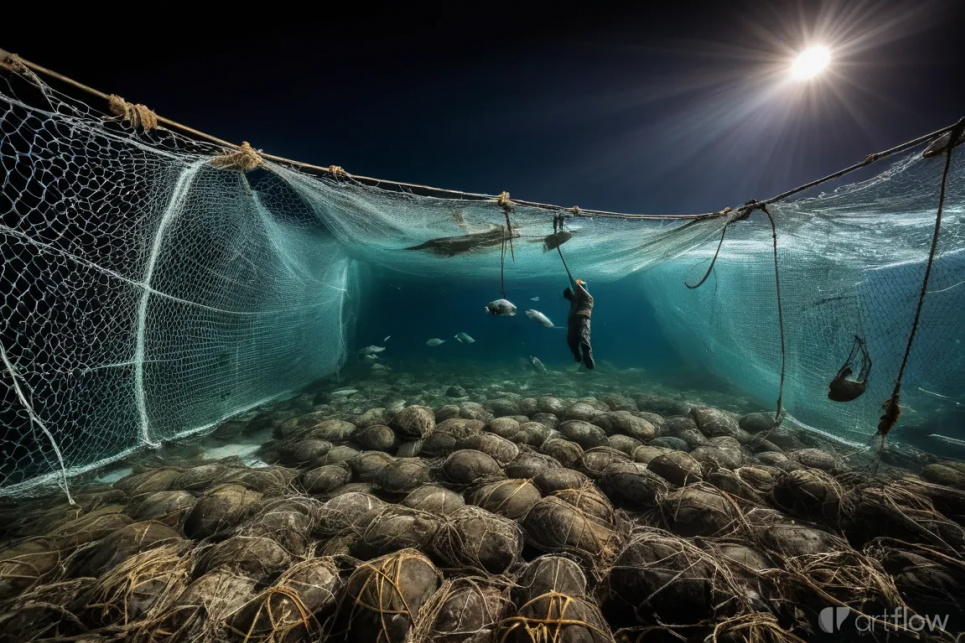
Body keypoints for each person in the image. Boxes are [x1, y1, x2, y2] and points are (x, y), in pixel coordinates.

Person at [563, 277, 594, 369]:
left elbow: (581, 291)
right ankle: (577, 357)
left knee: (584, 339)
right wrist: (569, 288)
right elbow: (566, 294)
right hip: (572, 321)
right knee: (571, 341)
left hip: (583, 320)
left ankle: (589, 361)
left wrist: (575, 283)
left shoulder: (589, 298)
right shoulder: (574, 298)